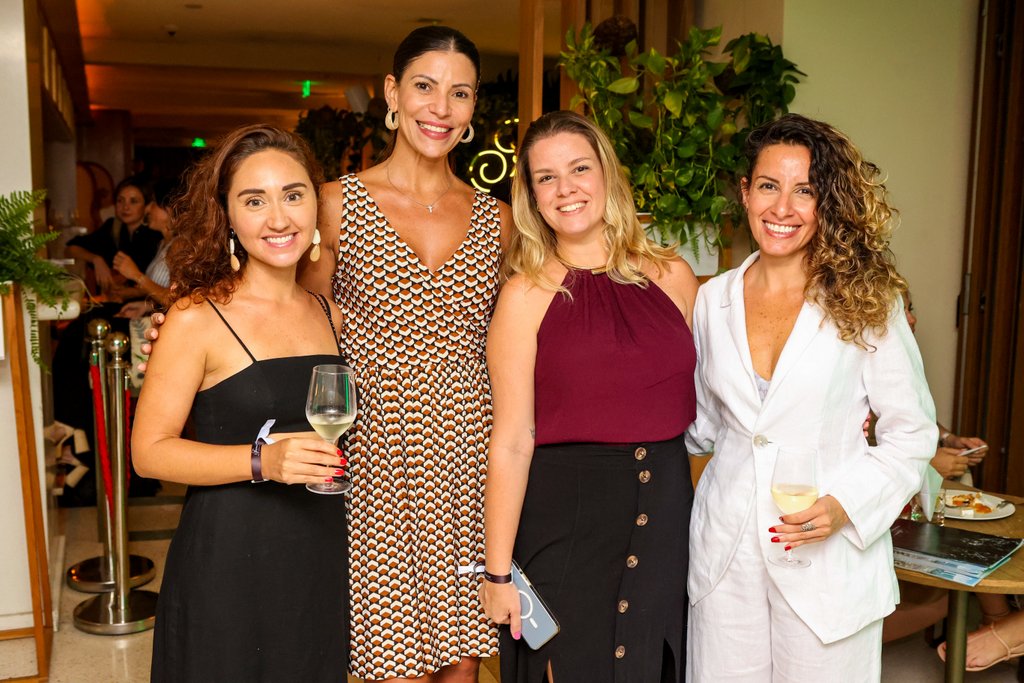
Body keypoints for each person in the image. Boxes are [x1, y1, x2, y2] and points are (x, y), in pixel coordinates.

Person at [685, 113, 937, 680]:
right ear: (746, 193)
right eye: (769, 186)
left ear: (828, 204)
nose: (783, 208)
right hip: (727, 556)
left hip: (828, 558)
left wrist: (847, 503)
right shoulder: (712, 300)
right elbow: (700, 426)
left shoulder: (869, 300)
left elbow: (912, 431)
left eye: (806, 191)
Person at [298, 26, 511, 682]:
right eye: (424, 86)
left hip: (470, 461)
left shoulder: (496, 219)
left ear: (474, 108)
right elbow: (295, 328)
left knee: (462, 668)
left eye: (460, 93)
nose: (440, 108)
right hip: (375, 457)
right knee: (393, 665)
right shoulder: (335, 205)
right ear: (393, 91)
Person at [479, 111, 699, 681]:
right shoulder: (525, 296)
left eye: (579, 168)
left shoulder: (674, 276)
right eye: (546, 177)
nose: (566, 188)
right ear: (530, 195)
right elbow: (510, 442)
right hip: (566, 524)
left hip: (667, 518)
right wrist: (497, 574)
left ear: (607, 174)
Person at [132, 125, 349, 682]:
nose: (279, 219)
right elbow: (149, 454)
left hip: (318, 558)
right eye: (255, 201)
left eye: (293, 195)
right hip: (227, 564)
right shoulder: (195, 317)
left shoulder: (331, 313)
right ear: (226, 215)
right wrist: (262, 460)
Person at [66, 175, 163, 296]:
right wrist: (96, 260)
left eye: (133, 201)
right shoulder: (112, 227)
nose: (125, 207)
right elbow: (72, 247)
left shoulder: (156, 233)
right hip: (110, 302)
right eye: (120, 200)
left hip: (145, 306)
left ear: (147, 206)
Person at [112, 183, 176, 317]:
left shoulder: (180, 245)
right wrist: (146, 306)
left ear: (169, 210)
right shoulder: (163, 243)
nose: (147, 209)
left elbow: (176, 301)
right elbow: (163, 291)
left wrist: (136, 275)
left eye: (153, 204)